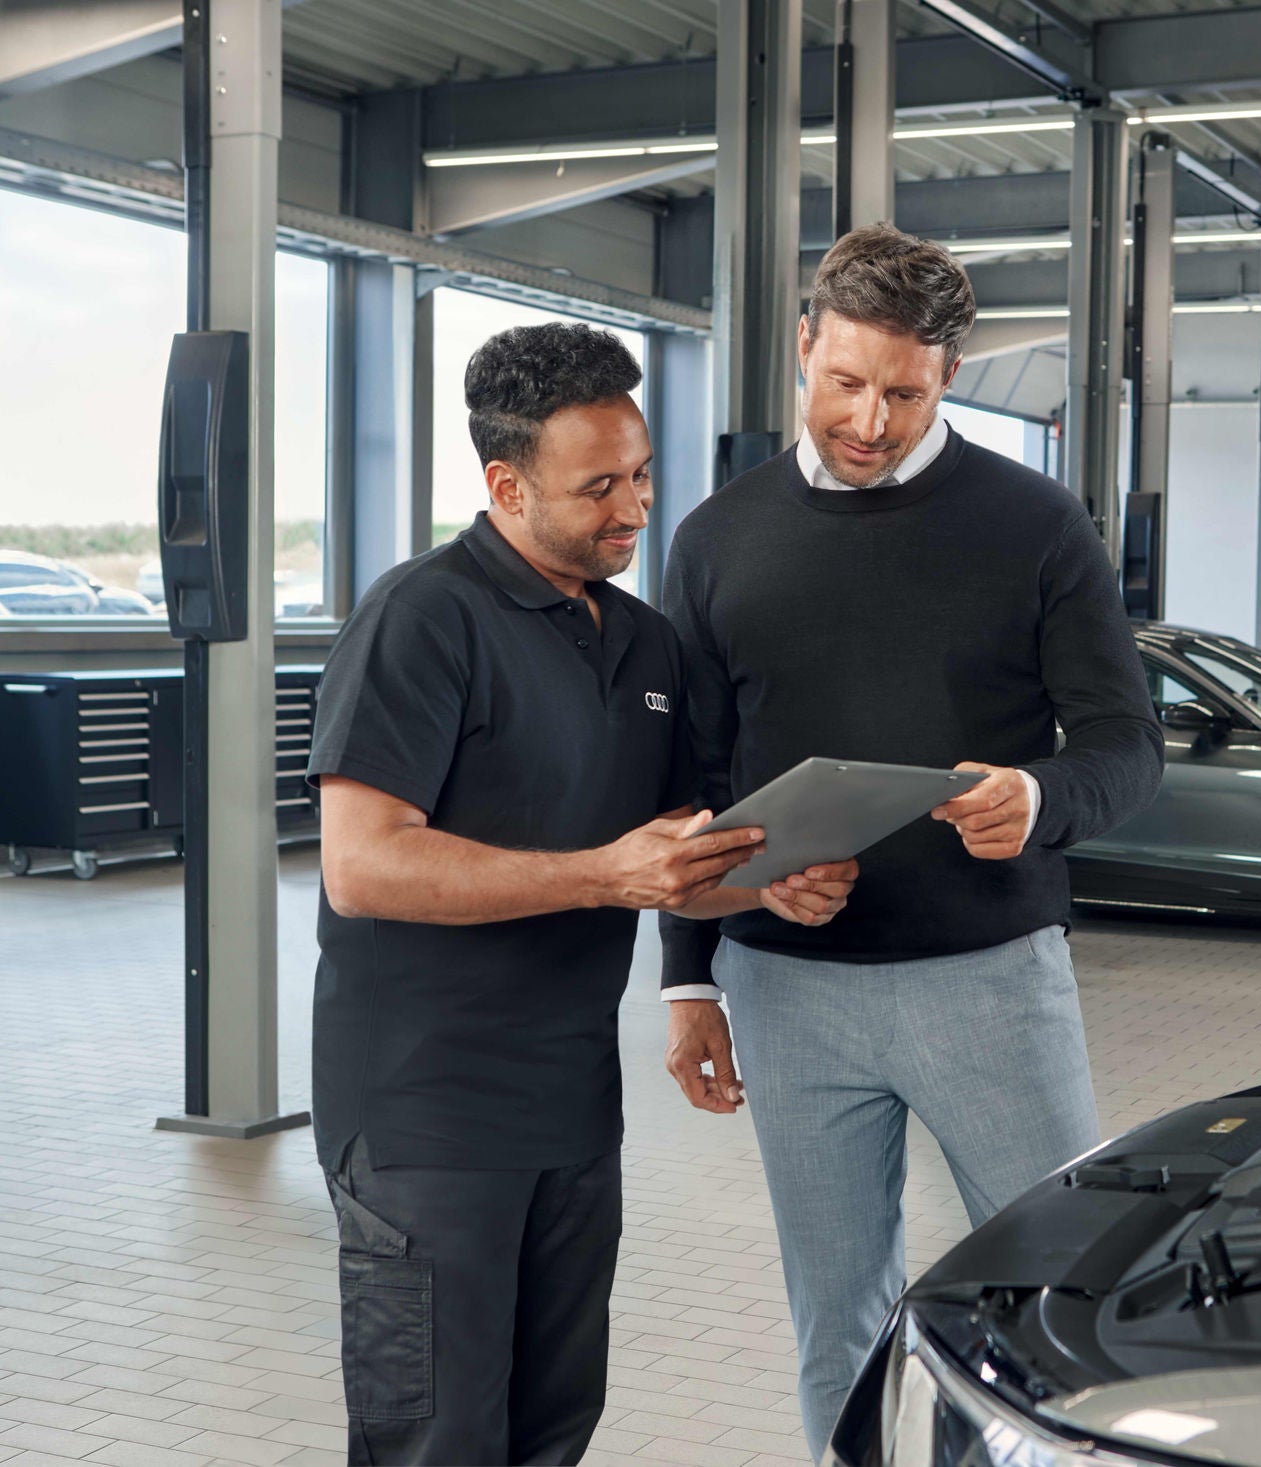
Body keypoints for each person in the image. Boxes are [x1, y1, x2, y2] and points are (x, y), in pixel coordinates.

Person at [307, 321, 858, 1466]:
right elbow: (361, 866)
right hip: (426, 1119)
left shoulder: (644, 644)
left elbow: (671, 866)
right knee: (438, 1439)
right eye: (598, 486)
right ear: (506, 486)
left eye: (644, 472)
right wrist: (605, 874)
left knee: (554, 1425)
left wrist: (766, 887)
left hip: (569, 1113)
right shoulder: (420, 620)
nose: (636, 507)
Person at [658, 223, 1165, 1453]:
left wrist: (1038, 800)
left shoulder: (1037, 526)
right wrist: (688, 979)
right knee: (838, 1321)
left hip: (989, 985)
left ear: (949, 376)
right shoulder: (715, 540)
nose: (870, 420)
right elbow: (692, 783)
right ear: (802, 348)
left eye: (904, 391)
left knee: (1063, 1296)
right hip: (788, 993)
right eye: (845, 383)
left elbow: (1122, 747)